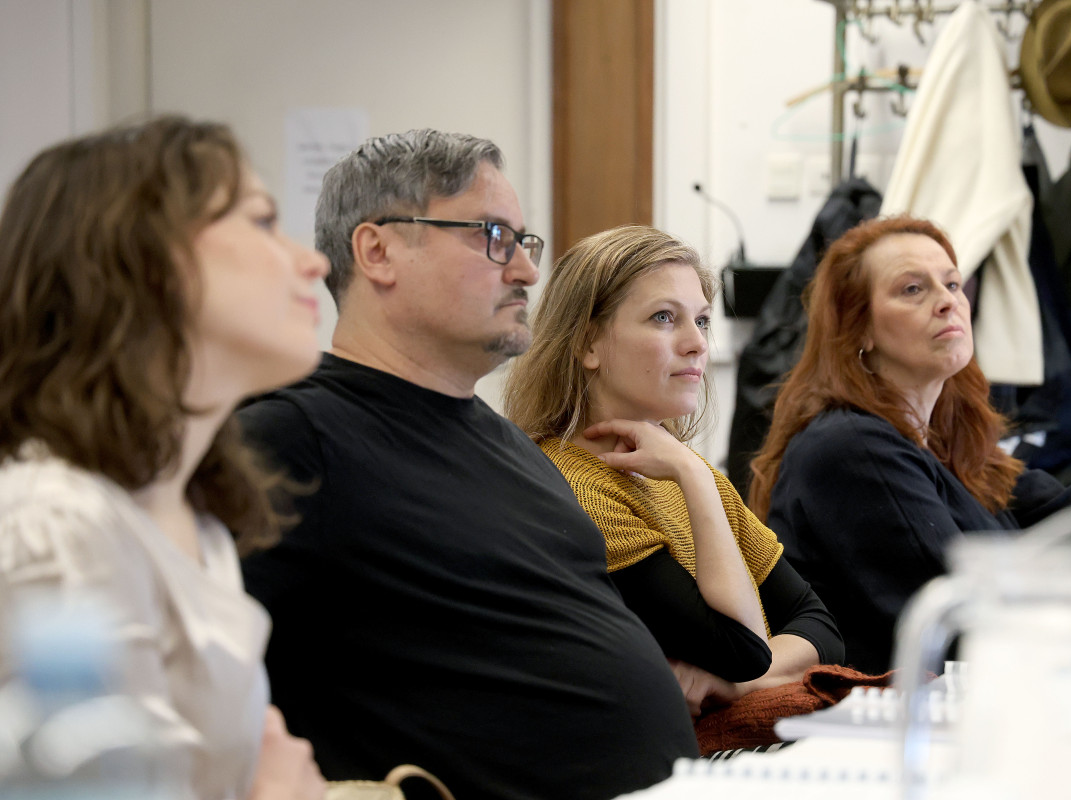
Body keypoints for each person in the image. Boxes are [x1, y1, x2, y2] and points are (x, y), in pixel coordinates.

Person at [237, 131, 699, 800]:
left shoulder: (513, 449)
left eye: (524, 241)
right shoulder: (293, 437)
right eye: (493, 237)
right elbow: (191, 674)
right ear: (378, 252)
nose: (528, 271)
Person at [0, 117, 327, 800]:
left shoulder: (197, 521)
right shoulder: (53, 525)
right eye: (262, 221)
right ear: (143, 256)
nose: (313, 263)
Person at [748, 214, 1071, 675]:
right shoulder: (851, 447)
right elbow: (968, 614)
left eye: (952, 284)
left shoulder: (943, 446)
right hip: (888, 712)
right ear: (859, 327)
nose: (948, 301)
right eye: (913, 289)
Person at [503, 225, 843, 718]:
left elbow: (820, 628)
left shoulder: (688, 474)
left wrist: (731, 687)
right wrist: (694, 476)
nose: (697, 344)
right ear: (587, 343)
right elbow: (745, 650)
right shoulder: (574, 489)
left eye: (701, 321)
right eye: (664, 318)